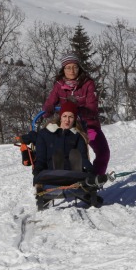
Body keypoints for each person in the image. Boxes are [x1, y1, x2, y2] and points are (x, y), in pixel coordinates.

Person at [42, 54, 110, 185]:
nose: (71, 71)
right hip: (66, 124)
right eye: (68, 68)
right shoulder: (58, 85)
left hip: (88, 124)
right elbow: (50, 102)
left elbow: (92, 107)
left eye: (75, 67)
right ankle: (54, 177)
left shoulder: (88, 84)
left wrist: (75, 109)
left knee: (103, 152)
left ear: (79, 69)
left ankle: (95, 179)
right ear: (63, 70)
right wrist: (48, 110)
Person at [31, 100, 97, 209]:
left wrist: (92, 172)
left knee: (75, 154)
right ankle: (59, 167)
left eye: (70, 117)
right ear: (60, 117)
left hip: (73, 173)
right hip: (51, 172)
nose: (67, 120)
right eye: (65, 116)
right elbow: (41, 157)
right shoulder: (45, 134)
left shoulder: (77, 136)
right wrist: (37, 172)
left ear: (74, 118)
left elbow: (84, 158)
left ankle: (74, 172)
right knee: (57, 155)